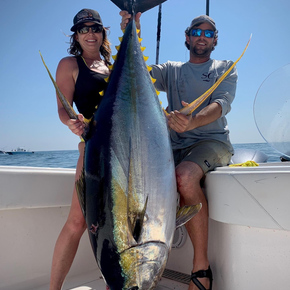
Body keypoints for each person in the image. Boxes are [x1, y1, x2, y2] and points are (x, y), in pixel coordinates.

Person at [120, 11, 237, 290]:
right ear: (187, 36)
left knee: (183, 177)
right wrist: (130, 33)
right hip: (172, 146)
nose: (202, 37)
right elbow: (138, 76)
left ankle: (200, 266)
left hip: (212, 142)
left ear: (215, 40)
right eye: (197, 31)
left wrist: (193, 121)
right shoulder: (170, 69)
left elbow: (222, 104)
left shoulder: (225, 67)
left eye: (209, 33)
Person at [49, 9, 111, 290]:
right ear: (76, 35)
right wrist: (73, 123)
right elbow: (64, 108)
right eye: (83, 29)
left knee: (118, 219)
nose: (90, 33)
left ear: (102, 33)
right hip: (93, 150)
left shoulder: (113, 65)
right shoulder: (69, 64)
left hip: (124, 152)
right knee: (77, 222)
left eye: (95, 28)